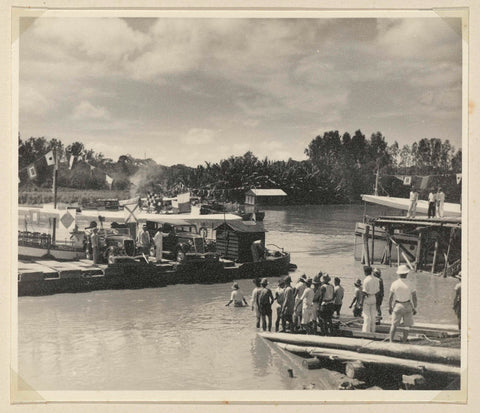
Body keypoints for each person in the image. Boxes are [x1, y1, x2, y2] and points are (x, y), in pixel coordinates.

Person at [388, 264, 418, 343]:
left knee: (394, 325)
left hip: (398, 305)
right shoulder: (411, 283)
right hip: (408, 305)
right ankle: (404, 341)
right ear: (407, 273)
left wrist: (390, 307)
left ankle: (391, 341)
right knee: (407, 326)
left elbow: (390, 297)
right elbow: (414, 297)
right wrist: (415, 307)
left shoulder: (394, 283)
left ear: (398, 274)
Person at [362, 266, 380, 333]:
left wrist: (361, 302)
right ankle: (373, 330)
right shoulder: (376, 279)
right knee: (373, 315)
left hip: (368, 297)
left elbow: (364, 292)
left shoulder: (366, 280)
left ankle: (366, 331)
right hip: (374, 297)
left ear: (366, 272)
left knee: (366, 316)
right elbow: (378, 291)